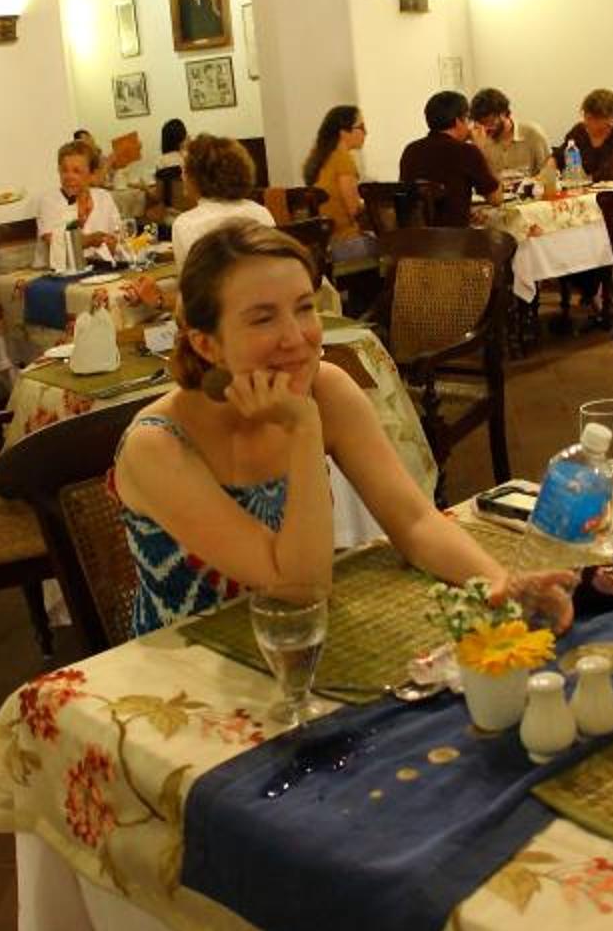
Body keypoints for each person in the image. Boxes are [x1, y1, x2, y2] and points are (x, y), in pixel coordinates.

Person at [114, 226, 577, 636]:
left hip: (304, 641)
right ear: (205, 343)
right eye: (263, 318)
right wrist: (303, 428)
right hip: (183, 670)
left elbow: (414, 522)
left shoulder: (328, 388)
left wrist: (497, 582)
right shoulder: (158, 445)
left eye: (304, 308)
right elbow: (300, 588)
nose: (296, 337)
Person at [398, 89, 497, 220]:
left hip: (416, 231)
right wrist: (483, 150)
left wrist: (465, 211)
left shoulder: (410, 150)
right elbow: (496, 199)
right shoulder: (467, 151)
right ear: (458, 121)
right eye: (467, 119)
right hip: (455, 233)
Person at [170, 133, 272, 256]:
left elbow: (187, 269)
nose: (181, 177)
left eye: (184, 170)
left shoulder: (185, 224)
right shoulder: (261, 212)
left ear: (196, 177)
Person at [303, 106, 377, 268]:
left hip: (323, 243)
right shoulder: (343, 160)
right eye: (361, 127)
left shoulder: (318, 157)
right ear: (343, 132)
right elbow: (354, 211)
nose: (366, 132)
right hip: (344, 244)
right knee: (397, 245)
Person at [37, 140, 124, 264]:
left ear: (92, 174)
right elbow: (54, 243)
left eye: (76, 171)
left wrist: (113, 244)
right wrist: (91, 240)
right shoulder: (49, 201)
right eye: (64, 170)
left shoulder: (104, 197)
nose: (69, 177)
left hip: (101, 267)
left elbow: (119, 236)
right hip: (57, 271)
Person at [559, 89, 613, 184]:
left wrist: (583, 181)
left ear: (608, 119)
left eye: (591, 118)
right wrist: (551, 165)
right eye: (585, 116)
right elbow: (560, 155)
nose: (586, 121)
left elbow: (612, 174)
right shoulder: (579, 131)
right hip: (582, 189)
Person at [468, 88, 546, 176]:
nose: (486, 128)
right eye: (482, 123)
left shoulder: (532, 133)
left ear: (504, 113)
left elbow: (549, 173)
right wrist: (479, 151)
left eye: (490, 122)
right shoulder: (481, 141)